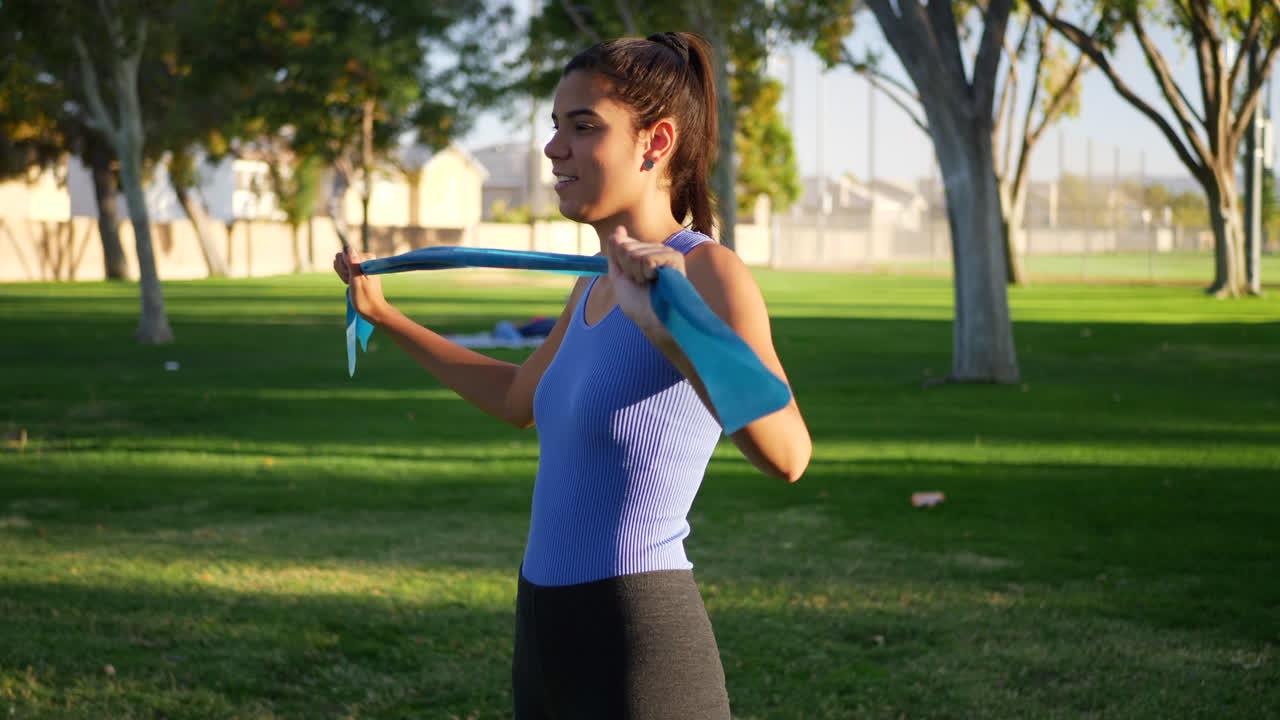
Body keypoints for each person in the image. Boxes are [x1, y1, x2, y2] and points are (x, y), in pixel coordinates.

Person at [335, 30, 811, 720]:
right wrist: (385, 316)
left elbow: (789, 454)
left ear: (655, 142)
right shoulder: (593, 285)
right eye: (555, 127)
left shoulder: (707, 271)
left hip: (637, 638)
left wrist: (669, 330)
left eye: (583, 127)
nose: (555, 148)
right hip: (546, 628)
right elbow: (516, 398)